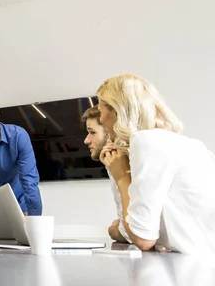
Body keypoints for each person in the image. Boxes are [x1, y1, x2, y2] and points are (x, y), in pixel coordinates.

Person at [97, 74, 215, 254]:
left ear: (117, 111)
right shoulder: (183, 144)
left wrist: (121, 178)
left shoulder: (146, 141)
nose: (101, 119)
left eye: (100, 111)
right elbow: (132, 232)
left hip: (198, 270)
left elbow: (143, 239)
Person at [81, 106, 130, 243]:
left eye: (92, 132)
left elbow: (129, 232)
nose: (86, 140)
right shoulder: (111, 161)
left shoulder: (126, 163)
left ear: (109, 132)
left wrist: (113, 230)